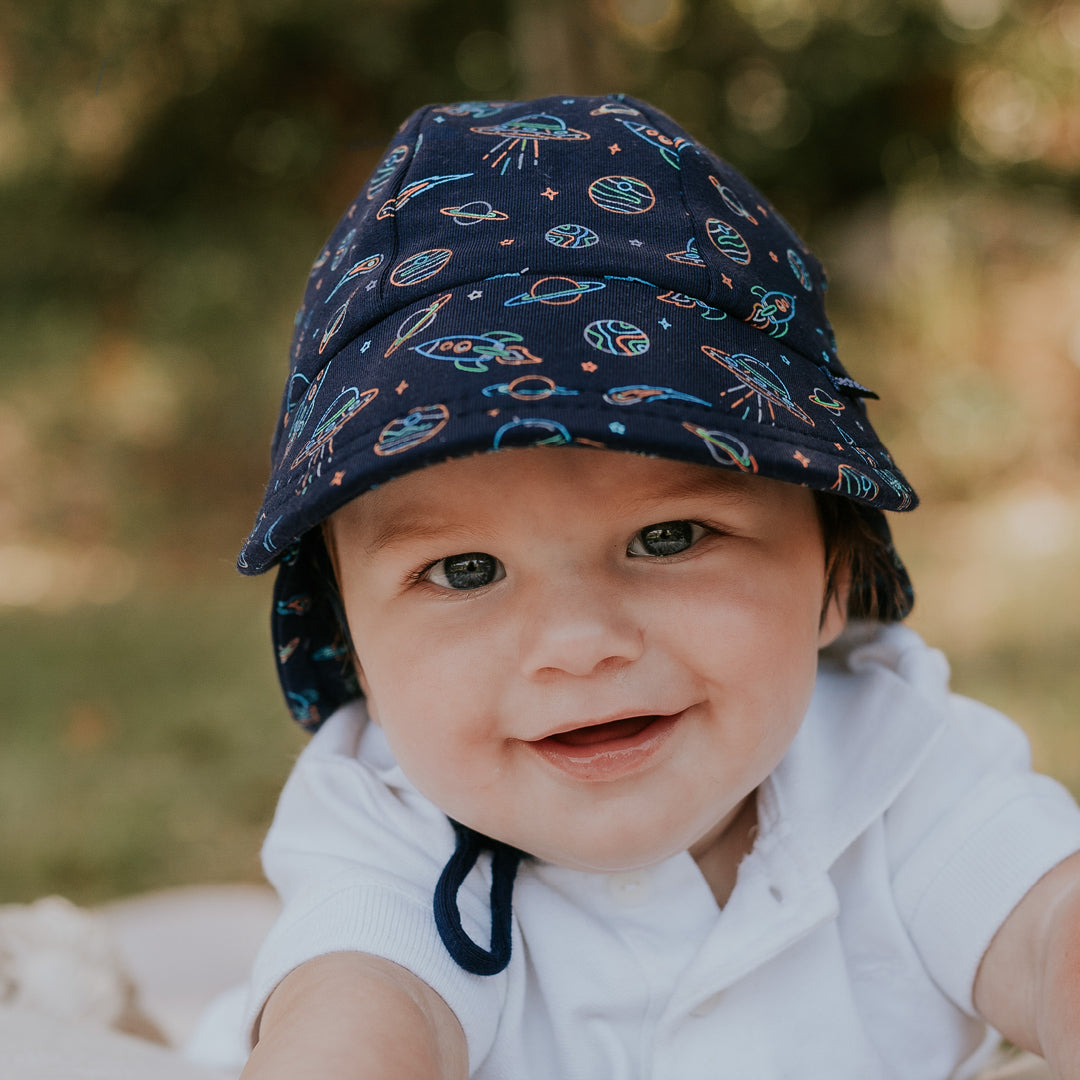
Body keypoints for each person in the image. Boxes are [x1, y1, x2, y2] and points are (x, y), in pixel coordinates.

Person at [211, 94, 1080, 1078]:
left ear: (837, 572)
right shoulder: (383, 823)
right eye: (464, 569)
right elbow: (363, 1007)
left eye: (668, 537)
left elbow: (1049, 920)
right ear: (350, 634)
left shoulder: (898, 759)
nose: (580, 644)